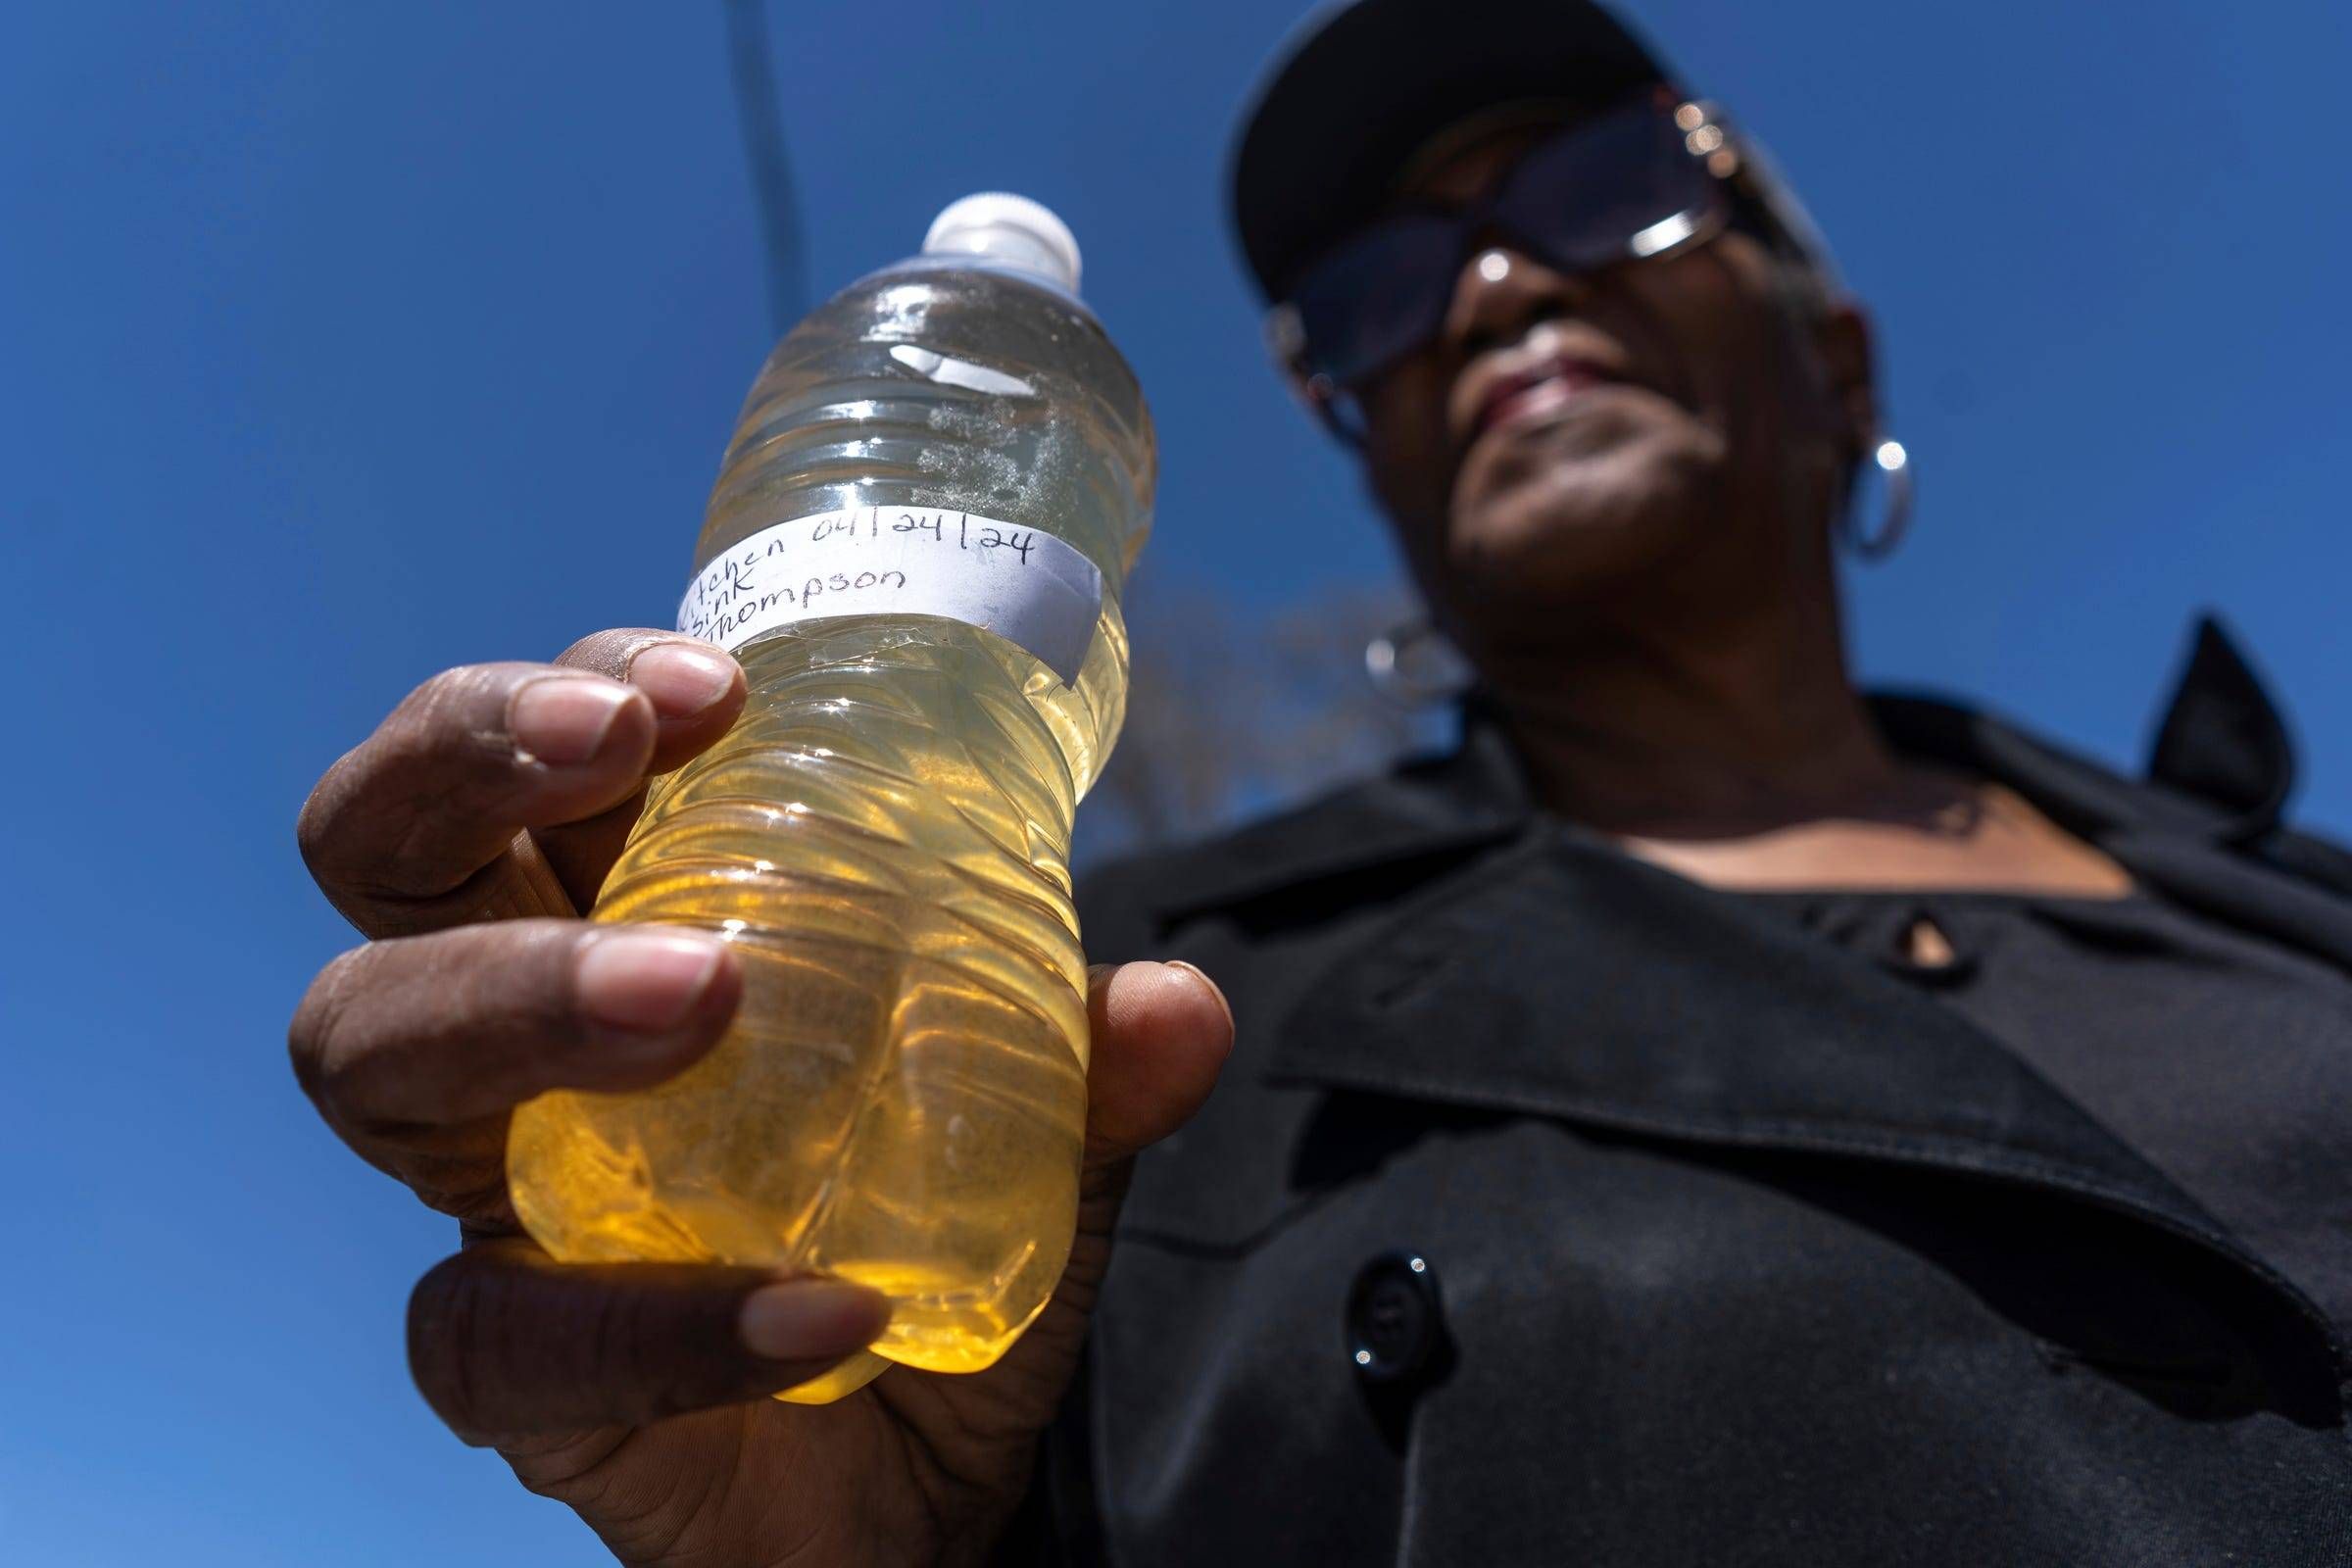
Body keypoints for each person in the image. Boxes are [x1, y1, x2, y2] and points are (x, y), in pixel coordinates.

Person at [290, 0, 2352, 1561]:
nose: (1494, 285)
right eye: (1379, 295)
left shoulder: (2300, 901)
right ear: (1368, 442)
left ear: (1838, 357)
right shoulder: (1138, 1028)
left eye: (1593, 186)